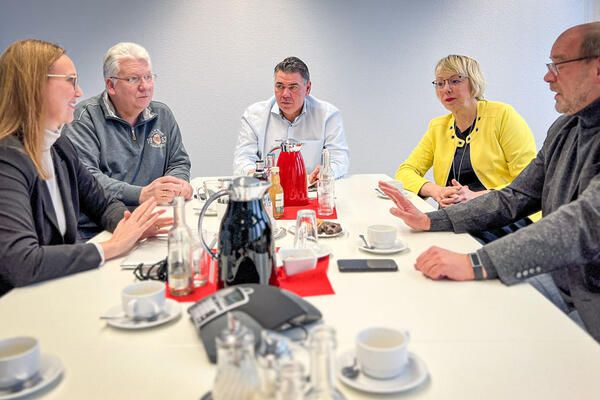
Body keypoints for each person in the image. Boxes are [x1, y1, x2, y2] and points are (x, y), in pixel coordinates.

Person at [379, 22, 600, 342]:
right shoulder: (564, 128)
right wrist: (431, 218)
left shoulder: (505, 116)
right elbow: (516, 195)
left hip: (588, 295)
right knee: (463, 315)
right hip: (557, 272)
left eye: (558, 65)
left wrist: (477, 263)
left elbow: (585, 222)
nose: (548, 77)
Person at [0, 39, 172, 297]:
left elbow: (102, 204)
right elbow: (20, 262)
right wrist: (112, 247)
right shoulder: (7, 160)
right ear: (35, 85)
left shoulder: (60, 146)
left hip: (54, 290)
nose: (79, 92)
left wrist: (132, 224)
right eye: (70, 80)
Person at [395, 55, 539, 242]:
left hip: (504, 217)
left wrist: (477, 196)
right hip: (458, 218)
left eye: (455, 81)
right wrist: (436, 191)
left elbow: (527, 182)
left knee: (443, 244)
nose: (446, 89)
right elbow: (405, 171)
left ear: (474, 82)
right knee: (410, 236)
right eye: (439, 83)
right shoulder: (438, 126)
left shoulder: (503, 116)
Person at [63, 42, 192, 238]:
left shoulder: (162, 114)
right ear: (111, 85)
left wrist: (177, 185)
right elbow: (87, 179)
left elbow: (178, 161)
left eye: (148, 77)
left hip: (154, 220)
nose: (145, 86)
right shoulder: (84, 118)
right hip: (99, 231)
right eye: (133, 79)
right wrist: (141, 194)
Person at [233, 56, 350, 182]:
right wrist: (254, 174)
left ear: (308, 88)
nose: (285, 94)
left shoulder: (328, 115)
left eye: (293, 87)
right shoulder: (254, 115)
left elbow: (339, 159)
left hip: (311, 190)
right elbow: (243, 159)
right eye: (280, 86)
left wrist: (327, 171)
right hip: (268, 191)